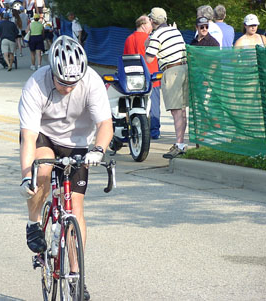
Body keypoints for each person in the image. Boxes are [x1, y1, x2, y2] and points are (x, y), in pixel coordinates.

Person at [18, 35, 112, 301]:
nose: (68, 88)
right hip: (44, 136)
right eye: (62, 82)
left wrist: (98, 150)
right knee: (43, 174)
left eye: (73, 83)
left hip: (78, 143)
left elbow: (105, 125)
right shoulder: (36, 83)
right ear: (52, 71)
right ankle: (34, 222)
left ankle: (76, 277)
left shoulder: (91, 81)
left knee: (76, 209)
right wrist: (28, 176)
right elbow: (28, 136)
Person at [145, 7, 189, 159]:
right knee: (182, 110)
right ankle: (181, 143)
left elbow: (149, 58)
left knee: (176, 110)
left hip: (171, 71)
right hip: (185, 68)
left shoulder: (156, 35)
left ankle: (179, 144)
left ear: (152, 21)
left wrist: (148, 41)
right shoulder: (174, 31)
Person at [123, 15, 161, 139]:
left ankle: (135, 128)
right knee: (153, 105)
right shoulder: (149, 38)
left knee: (135, 103)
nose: (152, 25)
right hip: (151, 76)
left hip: (134, 78)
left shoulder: (129, 39)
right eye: (150, 23)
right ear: (143, 25)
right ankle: (154, 131)